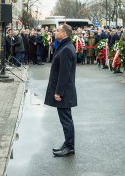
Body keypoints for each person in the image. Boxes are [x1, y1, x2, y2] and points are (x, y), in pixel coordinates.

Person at [44, 24, 77, 157]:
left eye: (57, 31)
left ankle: (69, 147)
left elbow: (65, 74)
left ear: (64, 33)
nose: (55, 32)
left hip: (64, 92)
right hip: (64, 91)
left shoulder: (66, 49)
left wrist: (59, 92)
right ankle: (67, 144)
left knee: (66, 120)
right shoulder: (64, 46)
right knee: (65, 119)